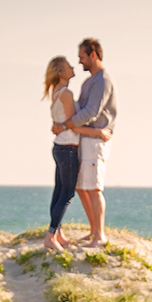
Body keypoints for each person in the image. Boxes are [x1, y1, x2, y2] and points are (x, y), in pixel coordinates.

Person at [53, 37, 117, 248]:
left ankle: (100, 236)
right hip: (85, 138)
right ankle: (93, 231)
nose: (79, 61)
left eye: (81, 57)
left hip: (95, 140)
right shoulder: (90, 81)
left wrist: (65, 126)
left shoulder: (102, 81)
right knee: (81, 187)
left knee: (94, 188)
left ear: (93, 55)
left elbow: (90, 112)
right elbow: (79, 108)